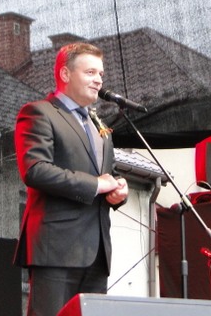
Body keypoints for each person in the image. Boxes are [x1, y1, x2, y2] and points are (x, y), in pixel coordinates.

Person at [13, 42, 129, 316]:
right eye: (90, 72)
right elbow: (35, 169)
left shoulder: (99, 125)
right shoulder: (39, 112)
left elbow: (106, 173)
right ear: (65, 74)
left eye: (101, 74)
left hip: (97, 252)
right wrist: (96, 185)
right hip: (56, 248)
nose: (99, 80)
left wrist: (118, 191)